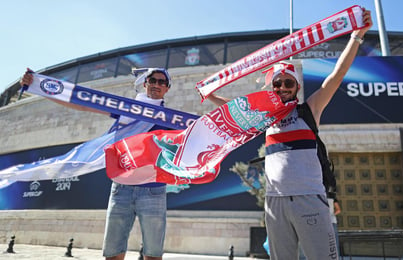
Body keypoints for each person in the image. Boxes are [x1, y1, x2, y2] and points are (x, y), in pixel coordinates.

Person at [207, 8, 372, 259]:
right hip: (275, 202)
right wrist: (210, 95)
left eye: (288, 83)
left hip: (310, 199)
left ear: (296, 86)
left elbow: (336, 76)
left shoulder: (310, 109)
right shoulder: (265, 118)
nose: (282, 87)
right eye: (277, 83)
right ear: (271, 87)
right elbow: (234, 110)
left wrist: (356, 37)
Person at [20, 68, 172, 260]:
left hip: (154, 190)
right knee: (113, 254)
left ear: (167, 89)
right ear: (145, 83)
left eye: (161, 82)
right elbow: (83, 103)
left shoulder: (171, 119)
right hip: (122, 188)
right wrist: (36, 86)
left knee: (153, 255)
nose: (157, 85)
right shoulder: (127, 108)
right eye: (153, 80)